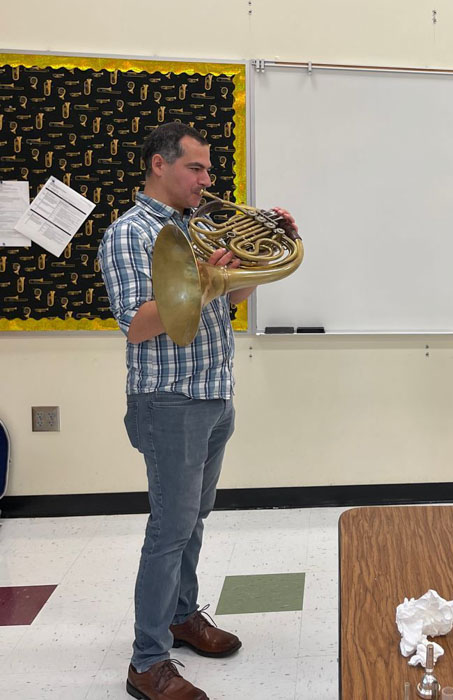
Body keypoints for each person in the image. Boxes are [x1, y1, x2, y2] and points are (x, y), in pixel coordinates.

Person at [98, 121, 298, 700]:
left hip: (213, 391)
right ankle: (146, 661)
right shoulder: (130, 234)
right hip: (167, 397)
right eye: (197, 168)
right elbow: (136, 325)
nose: (207, 181)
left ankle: (182, 616)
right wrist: (202, 279)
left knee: (194, 519)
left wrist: (247, 268)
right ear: (160, 165)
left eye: (209, 170)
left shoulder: (195, 226)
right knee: (169, 528)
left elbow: (228, 300)